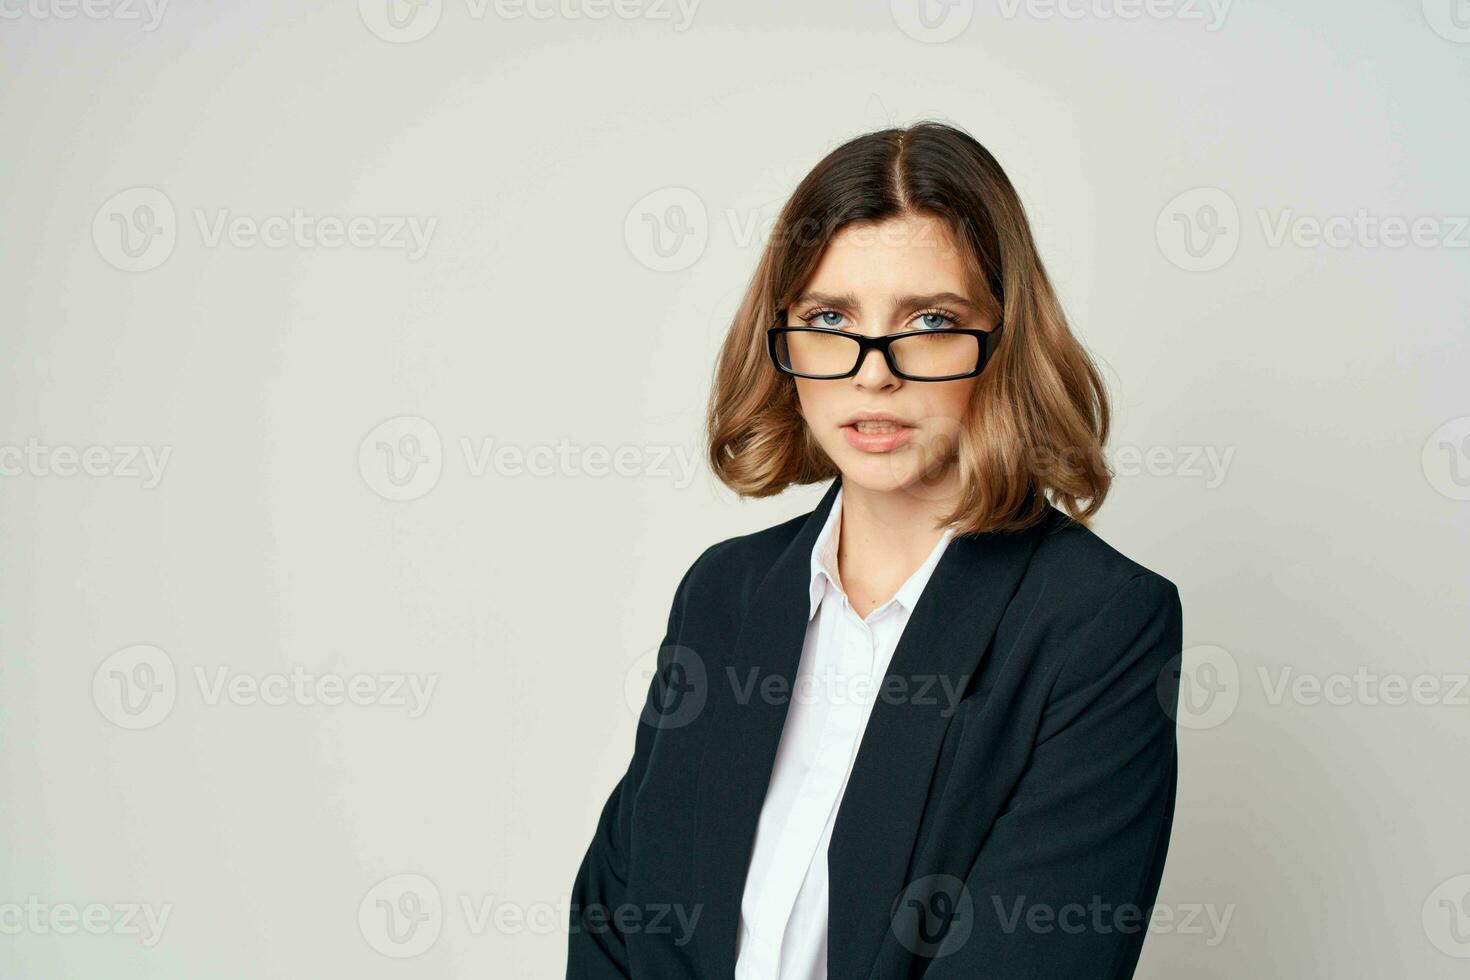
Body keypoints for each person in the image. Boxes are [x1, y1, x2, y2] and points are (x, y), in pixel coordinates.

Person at [568, 120, 1183, 979]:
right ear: (782, 338)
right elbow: (615, 918)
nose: (873, 371)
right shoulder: (724, 592)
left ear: (1004, 340)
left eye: (930, 319)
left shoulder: (1098, 621)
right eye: (830, 317)